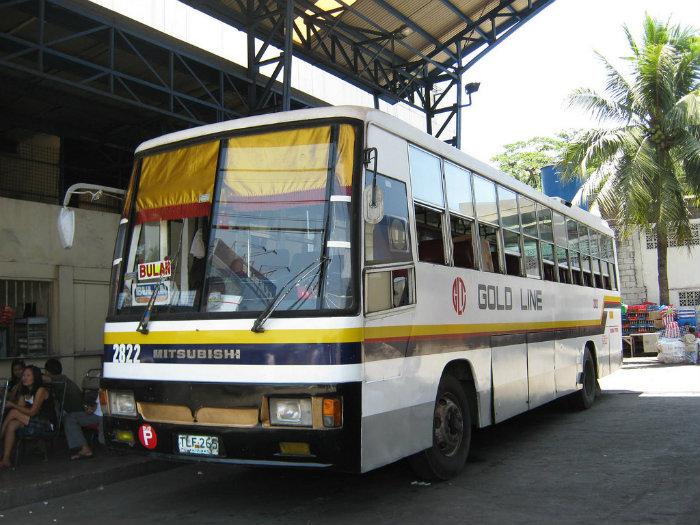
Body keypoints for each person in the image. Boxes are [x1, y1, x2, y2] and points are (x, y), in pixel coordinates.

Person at [0, 366, 55, 469]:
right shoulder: (24, 391)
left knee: (13, 412)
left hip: (47, 425)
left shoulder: (41, 390)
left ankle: (0, 435)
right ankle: (6, 459)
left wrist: (12, 405)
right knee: (12, 424)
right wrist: (16, 402)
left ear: (35, 377)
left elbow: (32, 412)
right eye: (23, 375)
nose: (24, 378)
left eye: (28, 375)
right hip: (32, 422)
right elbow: (20, 409)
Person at [63, 389, 104, 460]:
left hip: (107, 415)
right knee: (70, 418)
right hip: (97, 415)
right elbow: (90, 407)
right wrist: (88, 407)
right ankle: (84, 449)